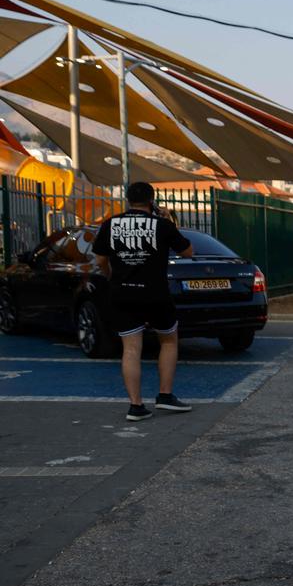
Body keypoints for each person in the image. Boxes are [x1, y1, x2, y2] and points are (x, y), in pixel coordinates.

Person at [91, 181, 195, 422]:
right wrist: (170, 220)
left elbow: (100, 260)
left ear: (128, 200)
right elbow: (188, 252)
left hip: (123, 293)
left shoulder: (110, 224)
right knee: (168, 341)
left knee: (131, 349)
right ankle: (165, 396)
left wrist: (111, 276)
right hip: (155, 293)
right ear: (152, 200)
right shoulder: (162, 224)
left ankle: (136, 406)